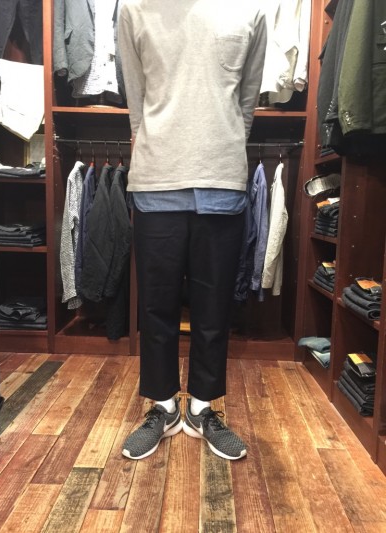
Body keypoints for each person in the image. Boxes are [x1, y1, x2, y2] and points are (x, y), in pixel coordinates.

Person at [118, 0, 267, 461]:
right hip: (156, 178)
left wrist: (221, 145)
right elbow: (136, 100)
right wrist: (159, 146)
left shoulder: (252, 10)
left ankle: (203, 408)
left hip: (221, 178)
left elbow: (247, 102)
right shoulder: (134, 9)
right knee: (156, 306)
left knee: (214, 307)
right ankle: (163, 407)